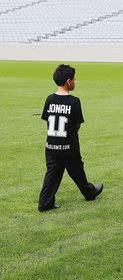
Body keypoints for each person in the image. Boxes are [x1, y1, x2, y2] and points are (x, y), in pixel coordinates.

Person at [38, 64, 103, 212]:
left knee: (52, 175)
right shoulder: (74, 101)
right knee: (77, 171)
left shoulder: (49, 99)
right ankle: (90, 193)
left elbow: (47, 121)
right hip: (69, 146)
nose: (75, 80)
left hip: (52, 146)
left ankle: (44, 203)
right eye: (74, 79)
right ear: (68, 82)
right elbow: (77, 124)